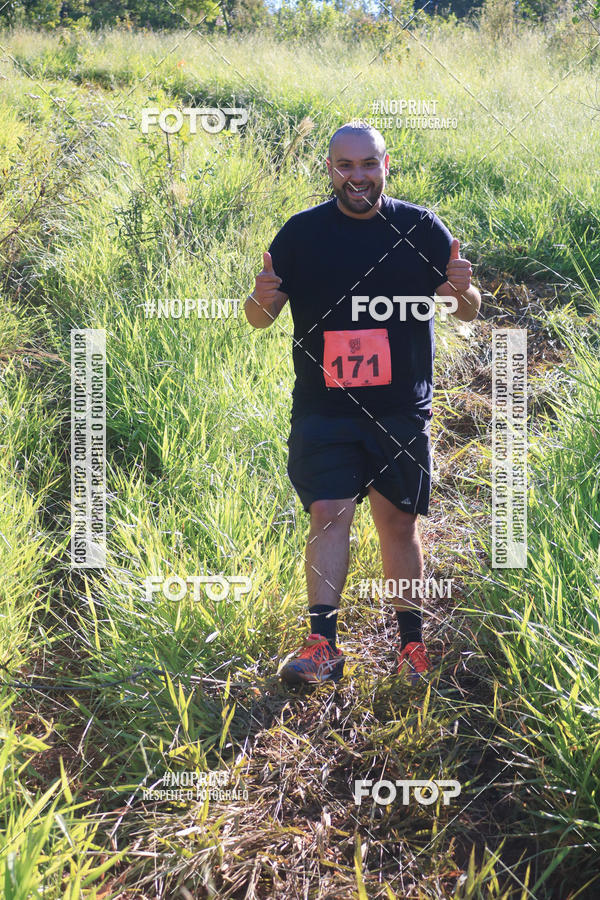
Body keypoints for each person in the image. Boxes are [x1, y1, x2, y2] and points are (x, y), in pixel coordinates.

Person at [244, 122, 480, 686]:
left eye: (367, 165)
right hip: (324, 407)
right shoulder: (301, 234)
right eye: (345, 165)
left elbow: (468, 309)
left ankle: (411, 649)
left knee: (397, 523)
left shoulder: (420, 228)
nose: (357, 177)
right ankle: (322, 646)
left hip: (399, 407)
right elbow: (259, 318)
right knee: (328, 516)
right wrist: (259, 299)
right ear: (329, 168)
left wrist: (463, 292)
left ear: (385, 164)